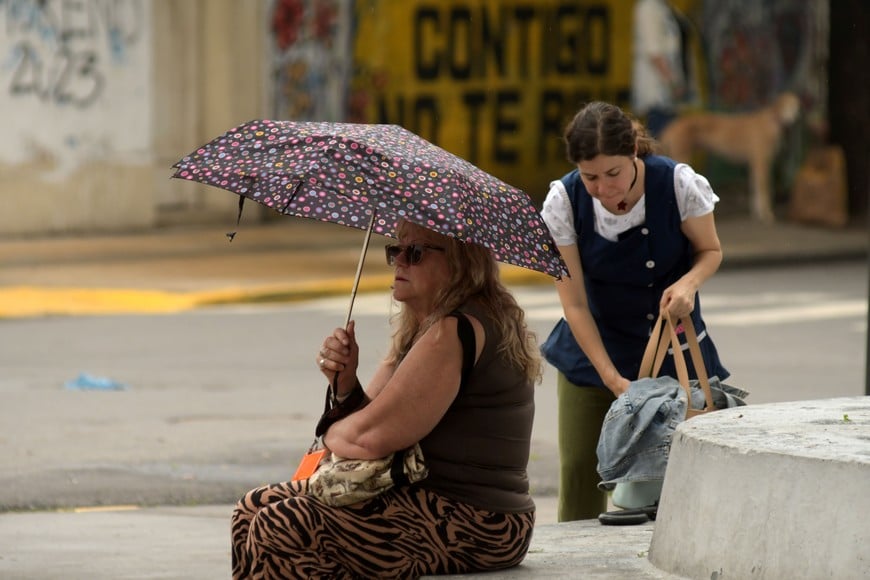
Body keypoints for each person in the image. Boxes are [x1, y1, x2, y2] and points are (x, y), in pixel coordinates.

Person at [231, 220, 542, 578]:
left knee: (282, 523)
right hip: (425, 500)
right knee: (250, 508)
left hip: (478, 520)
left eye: (416, 253)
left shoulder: (454, 331)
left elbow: (368, 438)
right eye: (396, 250)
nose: (399, 263)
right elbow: (371, 416)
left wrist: (334, 430)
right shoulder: (426, 326)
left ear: (460, 261)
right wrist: (345, 383)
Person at [539, 101, 729, 522]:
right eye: (590, 177)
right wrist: (611, 378)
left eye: (613, 174)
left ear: (633, 155)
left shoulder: (677, 184)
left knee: (673, 480)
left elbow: (710, 251)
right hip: (593, 355)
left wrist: (687, 284)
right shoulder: (564, 201)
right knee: (580, 473)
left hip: (673, 353)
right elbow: (573, 303)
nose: (604, 189)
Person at [632, 0, 697, 137]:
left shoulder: (667, 8)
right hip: (659, 96)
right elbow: (654, 52)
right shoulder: (648, 7)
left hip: (673, 98)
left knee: (672, 145)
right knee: (659, 145)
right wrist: (673, 84)